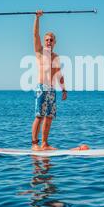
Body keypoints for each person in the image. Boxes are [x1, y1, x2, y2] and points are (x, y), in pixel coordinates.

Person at [31, 10, 67, 150]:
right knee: (39, 116)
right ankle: (35, 144)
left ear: (55, 42)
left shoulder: (56, 57)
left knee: (49, 117)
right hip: (41, 88)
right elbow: (35, 34)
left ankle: (45, 144)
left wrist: (64, 89)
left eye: (51, 40)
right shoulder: (40, 52)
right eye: (46, 40)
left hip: (52, 90)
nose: (48, 42)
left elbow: (59, 75)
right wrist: (37, 18)